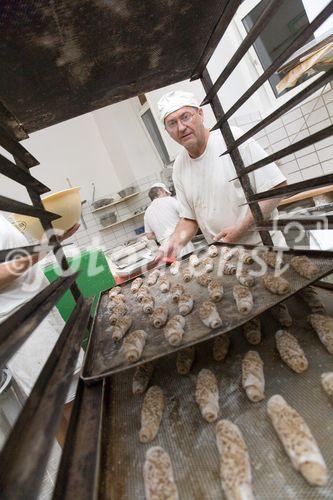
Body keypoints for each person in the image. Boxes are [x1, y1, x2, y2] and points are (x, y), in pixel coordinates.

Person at [156, 90, 287, 259]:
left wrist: (239, 230)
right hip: (226, 258)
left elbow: (277, 188)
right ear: (167, 131)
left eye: (185, 117)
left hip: (265, 249)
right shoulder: (179, 166)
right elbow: (189, 219)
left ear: (200, 114)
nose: (181, 127)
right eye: (172, 123)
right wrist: (173, 244)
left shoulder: (231, 139)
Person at [0, 214, 83, 447]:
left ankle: (84, 475)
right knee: (72, 404)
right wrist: (43, 247)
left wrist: (47, 240)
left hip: (38, 311)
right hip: (23, 325)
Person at [144, 182, 194, 257]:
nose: (167, 195)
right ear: (160, 191)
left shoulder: (147, 212)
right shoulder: (169, 200)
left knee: (178, 268)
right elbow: (186, 214)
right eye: (166, 193)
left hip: (166, 250)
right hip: (181, 243)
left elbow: (149, 235)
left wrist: (162, 235)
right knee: (192, 263)